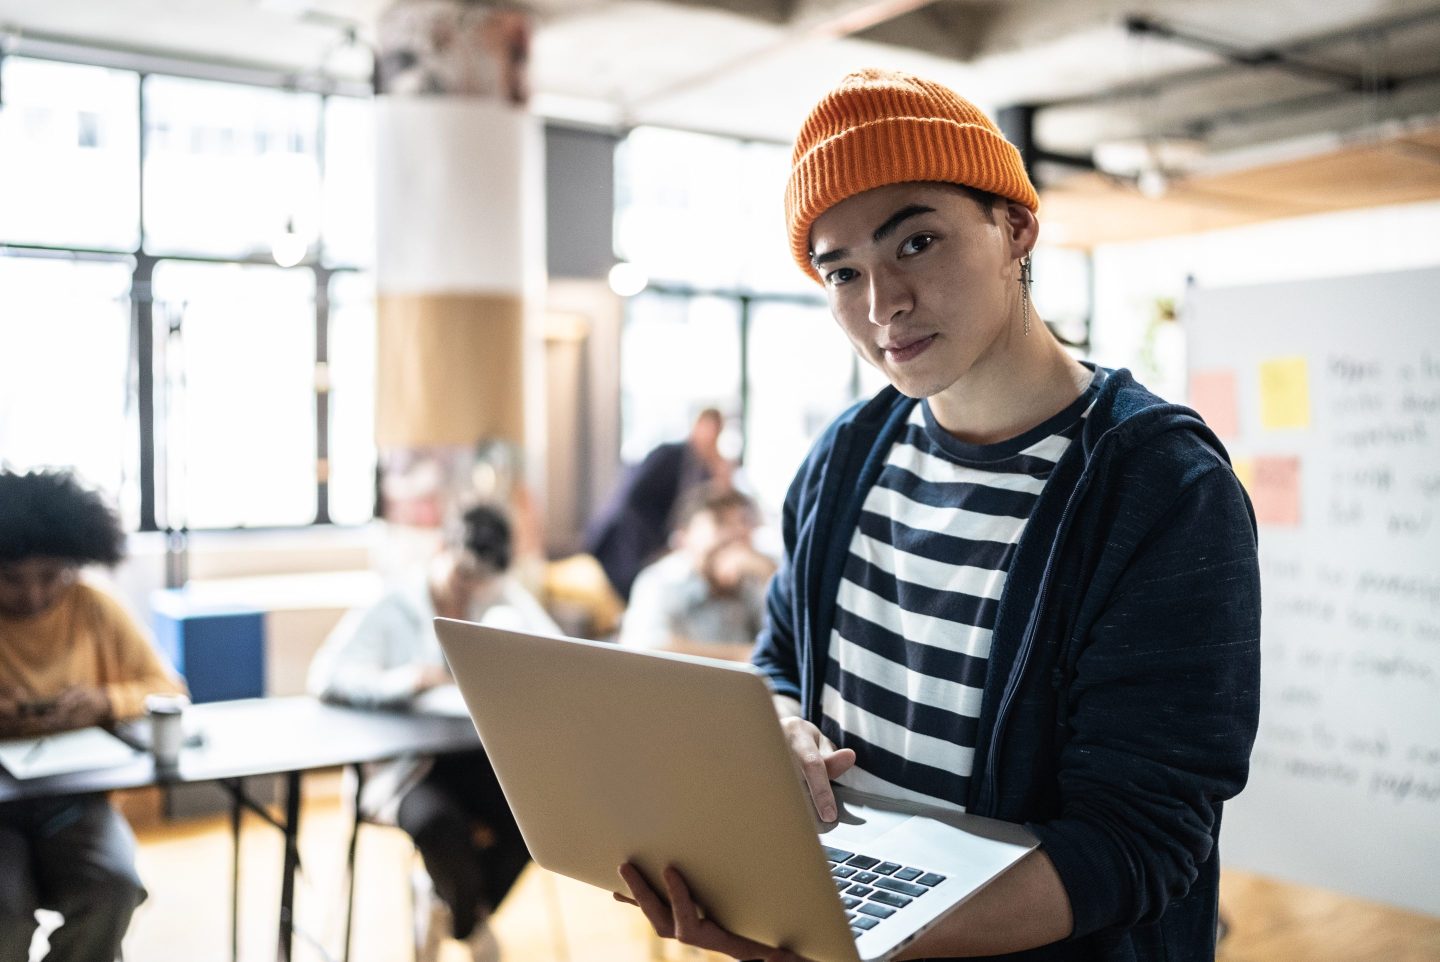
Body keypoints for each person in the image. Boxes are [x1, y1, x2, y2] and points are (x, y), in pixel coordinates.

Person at [618, 68, 1261, 962]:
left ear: (1016, 227)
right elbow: (780, 664)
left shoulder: (1159, 488)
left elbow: (1137, 842)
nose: (882, 307)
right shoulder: (844, 458)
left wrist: (859, 941)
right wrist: (776, 733)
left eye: (916, 242)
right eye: (843, 271)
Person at [308, 503, 558, 962]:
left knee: (540, 816)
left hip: (476, 758)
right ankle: (467, 921)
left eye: (482, 583)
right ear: (442, 549)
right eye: (464, 577)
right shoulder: (394, 604)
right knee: (438, 825)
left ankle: (445, 903)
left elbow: (558, 656)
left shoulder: (500, 597)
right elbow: (325, 676)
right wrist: (403, 680)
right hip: (406, 768)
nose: (471, 591)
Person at [0, 469, 188, 962]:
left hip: (76, 799)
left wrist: (106, 700)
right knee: (4, 914)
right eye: (13, 580)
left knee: (115, 888)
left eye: (51, 576)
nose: (35, 596)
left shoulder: (95, 606)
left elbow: (168, 688)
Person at [585, 407, 734, 601]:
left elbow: (716, 502)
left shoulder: (702, 468)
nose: (711, 438)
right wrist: (659, 542)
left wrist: (720, 473)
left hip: (661, 543)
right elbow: (632, 497)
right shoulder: (669, 454)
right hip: (630, 539)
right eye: (710, 430)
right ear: (697, 426)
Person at [618, 487, 776, 661]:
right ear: (683, 537)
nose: (736, 533)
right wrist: (741, 655)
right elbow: (646, 649)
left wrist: (769, 576)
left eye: (744, 522)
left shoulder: (753, 579)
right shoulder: (663, 580)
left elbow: (787, 646)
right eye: (721, 522)